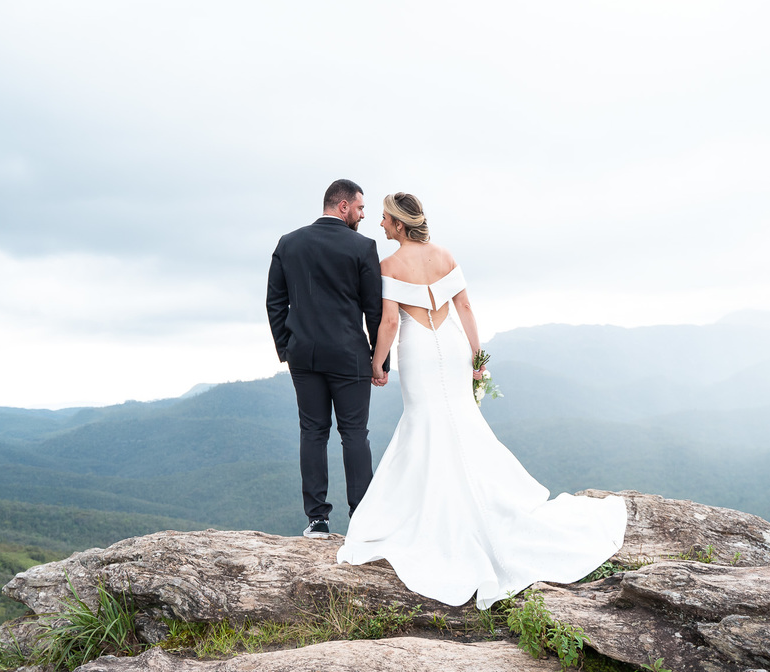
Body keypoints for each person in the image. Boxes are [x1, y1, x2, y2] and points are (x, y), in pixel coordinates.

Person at [336, 192, 627, 609]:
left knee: (424, 423)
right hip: (453, 345)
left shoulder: (390, 265)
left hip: (419, 352)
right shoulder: (445, 255)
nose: (380, 224)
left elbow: (389, 322)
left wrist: (377, 364)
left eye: (384, 218)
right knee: (460, 419)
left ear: (399, 224)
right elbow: (465, 306)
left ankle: (433, 512)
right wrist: (477, 358)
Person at [266, 179, 387, 539]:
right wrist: (380, 360)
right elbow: (374, 310)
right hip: (350, 356)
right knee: (354, 435)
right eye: (360, 208)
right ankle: (362, 518)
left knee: (312, 433)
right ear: (343, 206)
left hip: (304, 356)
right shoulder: (363, 247)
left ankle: (317, 519)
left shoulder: (288, 243)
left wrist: (287, 348)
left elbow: (275, 302)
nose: (363, 215)